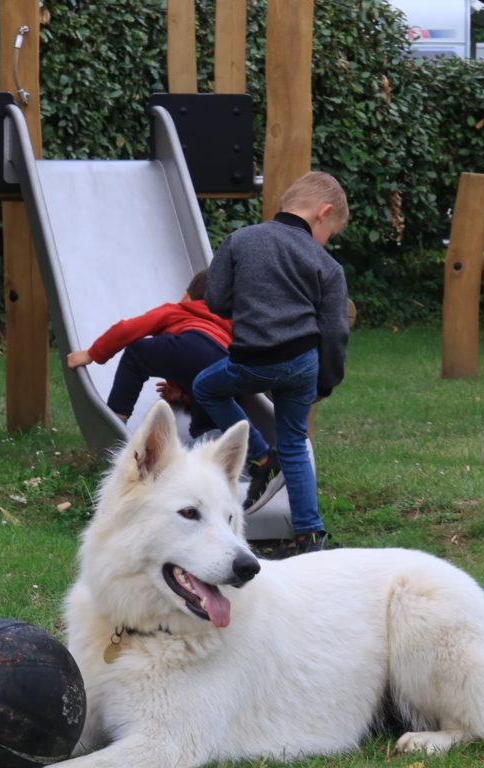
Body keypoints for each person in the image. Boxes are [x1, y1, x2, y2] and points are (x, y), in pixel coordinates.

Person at [192, 171, 350, 555]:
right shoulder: (325, 264)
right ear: (322, 213)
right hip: (302, 363)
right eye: (332, 230)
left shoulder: (240, 240)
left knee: (205, 387)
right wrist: (325, 381)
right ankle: (310, 535)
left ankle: (262, 455)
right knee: (295, 441)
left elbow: (215, 300)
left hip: (252, 360)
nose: (327, 239)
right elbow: (334, 330)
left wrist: (248, 301)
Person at [66, 270, 230, 440]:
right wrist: (184, 396)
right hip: (222, 358)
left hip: (185, 344)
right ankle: (208, 439)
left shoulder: (179, 310)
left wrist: (92, 354)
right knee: (211, 396)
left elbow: (127, 328)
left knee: (136, 355)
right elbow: (201, 364)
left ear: (186, 296)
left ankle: (117, 418)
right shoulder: (231, 323)